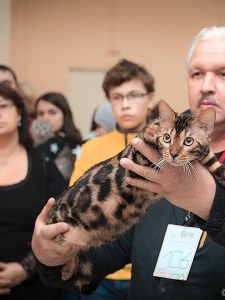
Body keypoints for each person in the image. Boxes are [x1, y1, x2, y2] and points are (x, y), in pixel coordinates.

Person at [31, 27, 225, 299]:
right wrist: (54, 257)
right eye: (197, 73)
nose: (206, 85)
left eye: (224, 74)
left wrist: (207, 198)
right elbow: (115, 242)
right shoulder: (156, 144)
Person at [68, 59, 155, 300]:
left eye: (134, 95)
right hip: (100, 269)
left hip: (148, 268)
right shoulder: (92, 148)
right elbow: (77, 207)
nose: (125, 105)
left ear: (150, 98)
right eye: (117, 97)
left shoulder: (166, 149)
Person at [0, 84, 60, 299]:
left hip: (36, 283)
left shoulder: (43, 163)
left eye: (3, 106)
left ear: (19, 113)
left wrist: (25, 269)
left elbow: (60, 222)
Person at [34, 92, 83, 197]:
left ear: (64, 114)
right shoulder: (32, 145)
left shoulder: (77, 144)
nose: (46, 118)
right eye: (40, 113)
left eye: (52, 112)